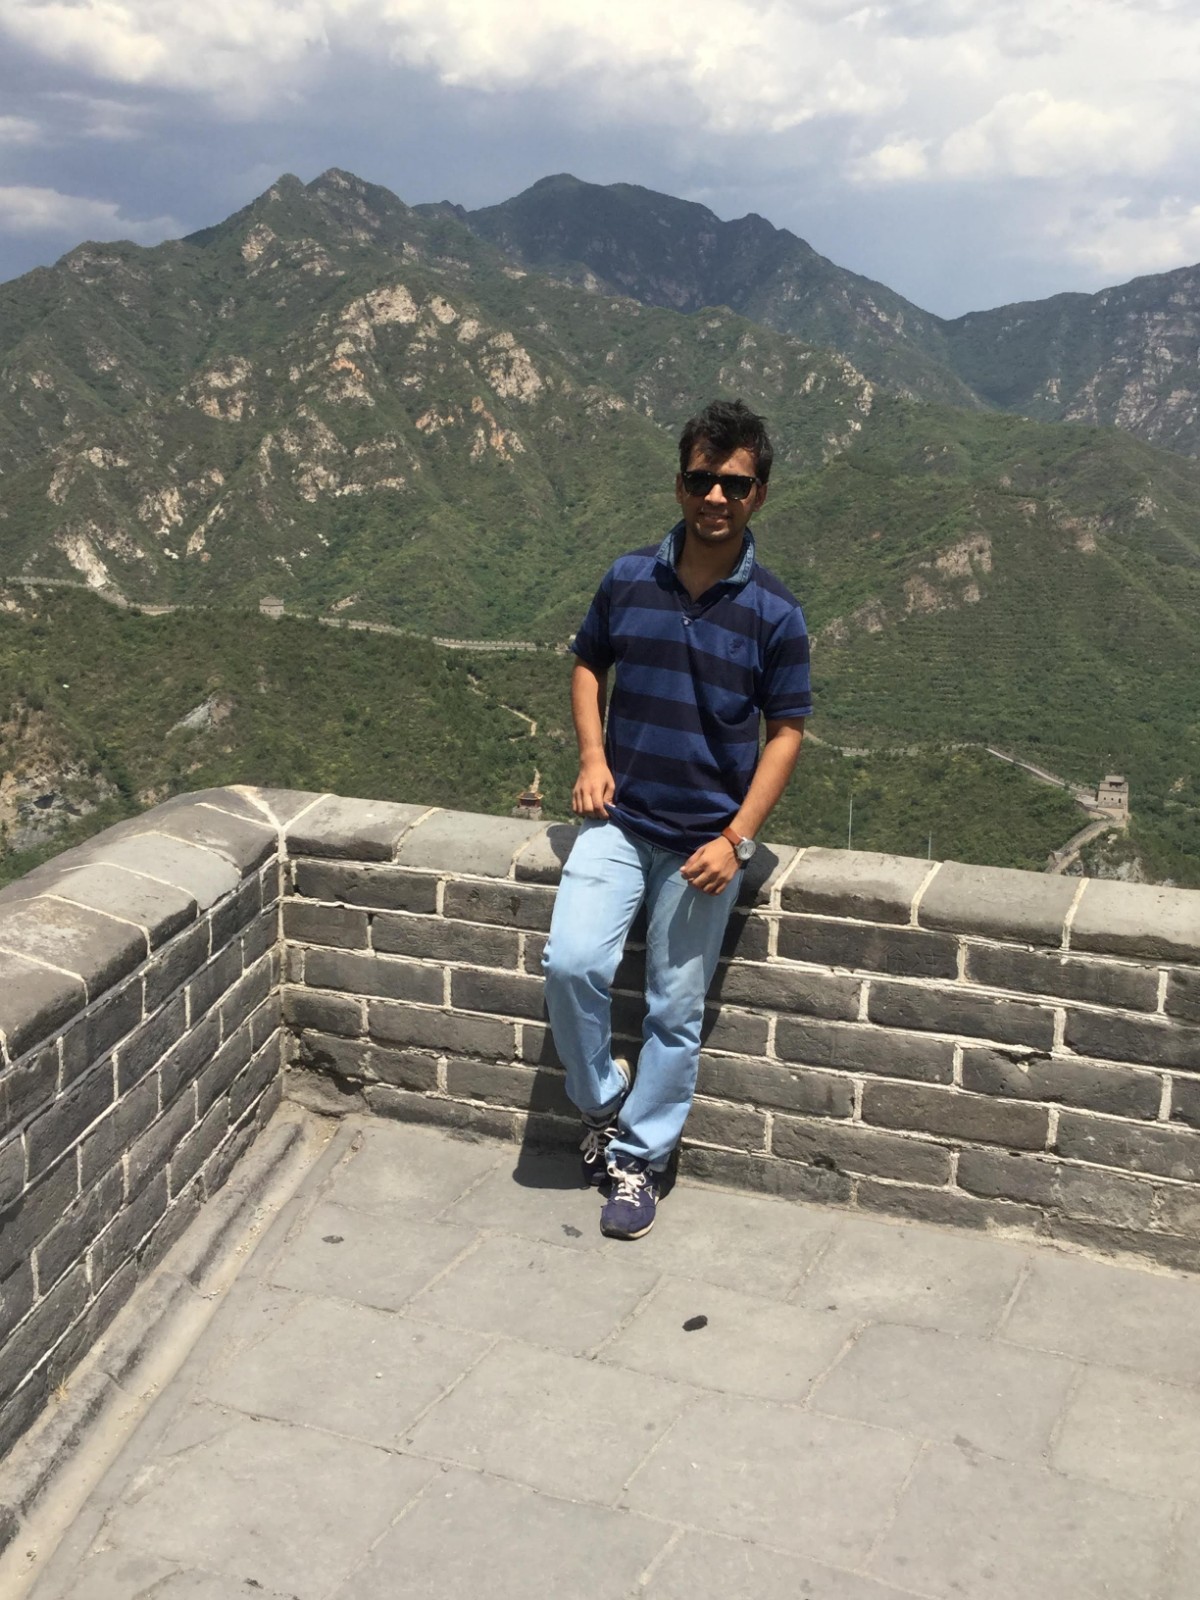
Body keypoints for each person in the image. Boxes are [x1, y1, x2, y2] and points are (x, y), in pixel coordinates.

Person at [542, 398, 811, 1240]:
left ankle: (639, 1158)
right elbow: (588, 665)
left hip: (704, 842)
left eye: (734, 484)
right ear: (680, 484)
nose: (715, 497)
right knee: (571, 963)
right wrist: (593, 758)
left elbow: (786, 732)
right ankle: (603, 1102)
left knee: (673, 1010)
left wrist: (737, 840)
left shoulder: (776, 613)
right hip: (620, 821)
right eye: (701, 480)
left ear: (759, 494)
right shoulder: (629, 578)